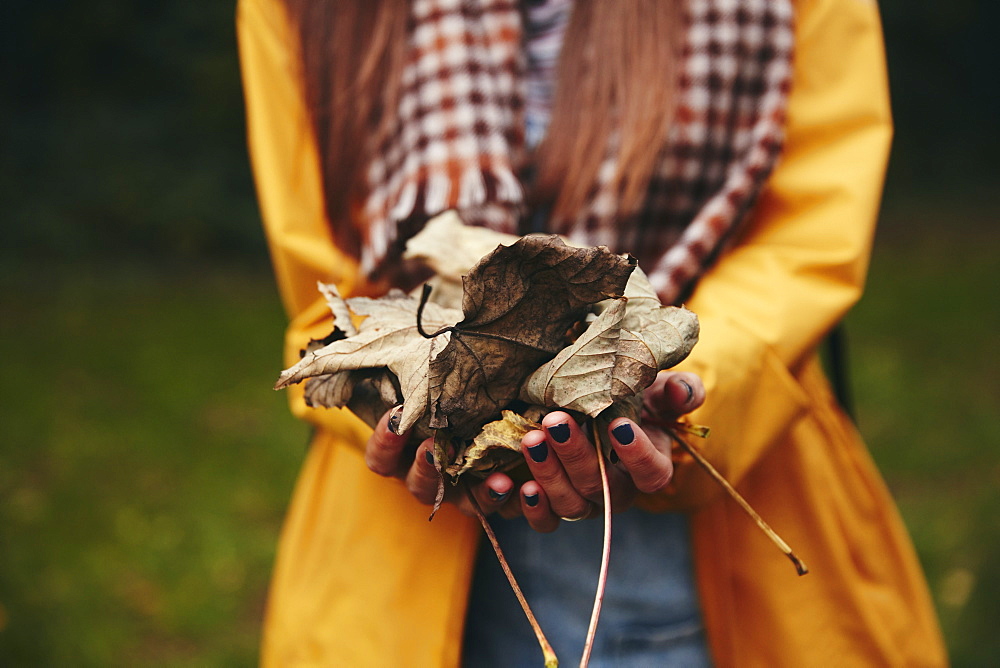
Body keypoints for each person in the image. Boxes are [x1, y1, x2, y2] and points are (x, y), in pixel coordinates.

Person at [238, 0, 947, 665]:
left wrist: (673, 391)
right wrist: (405, 410)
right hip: (395, 581)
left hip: (721, 551)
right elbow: (325, 294)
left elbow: (808, 241)